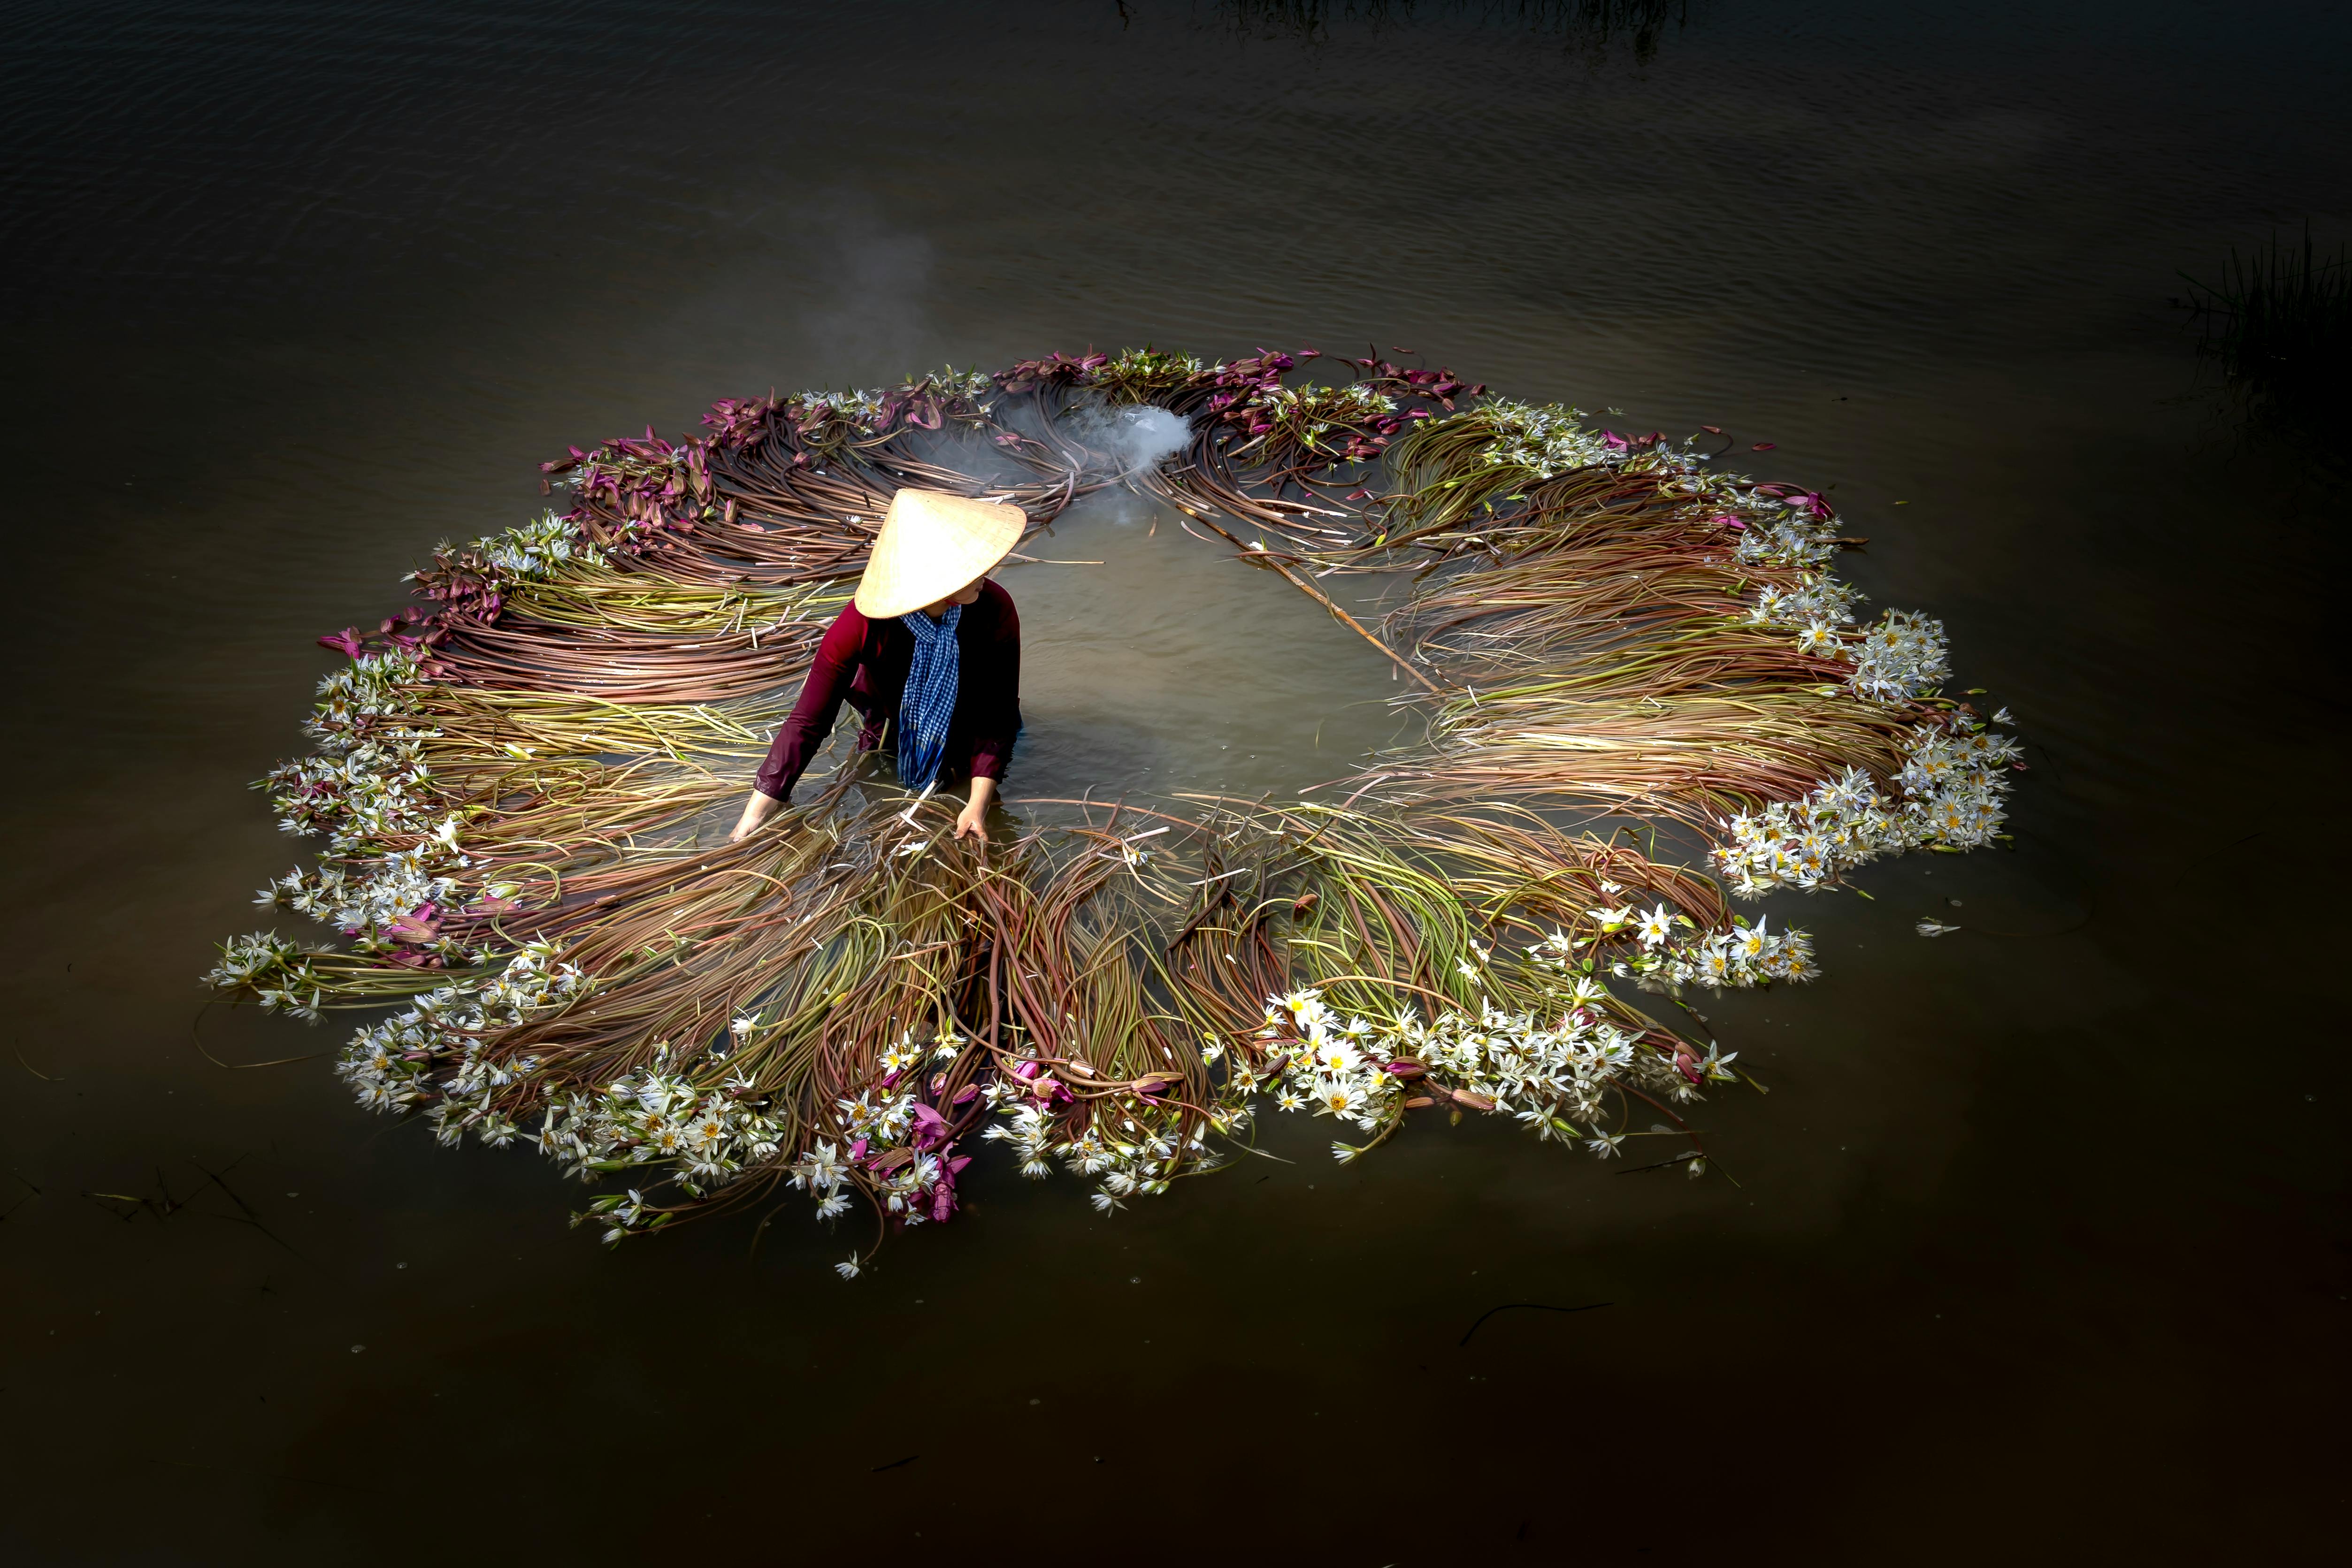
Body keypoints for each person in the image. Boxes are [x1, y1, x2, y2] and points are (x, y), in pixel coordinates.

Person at [730, 489, 1025, 844]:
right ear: (938, 582)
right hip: (892, 731)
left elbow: (997, 713)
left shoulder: (994, 607)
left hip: (977, 731)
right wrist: (753, 815)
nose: (987, 570)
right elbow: (808, 722)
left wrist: (977, 805)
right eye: (971, 565)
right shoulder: (860, 625)